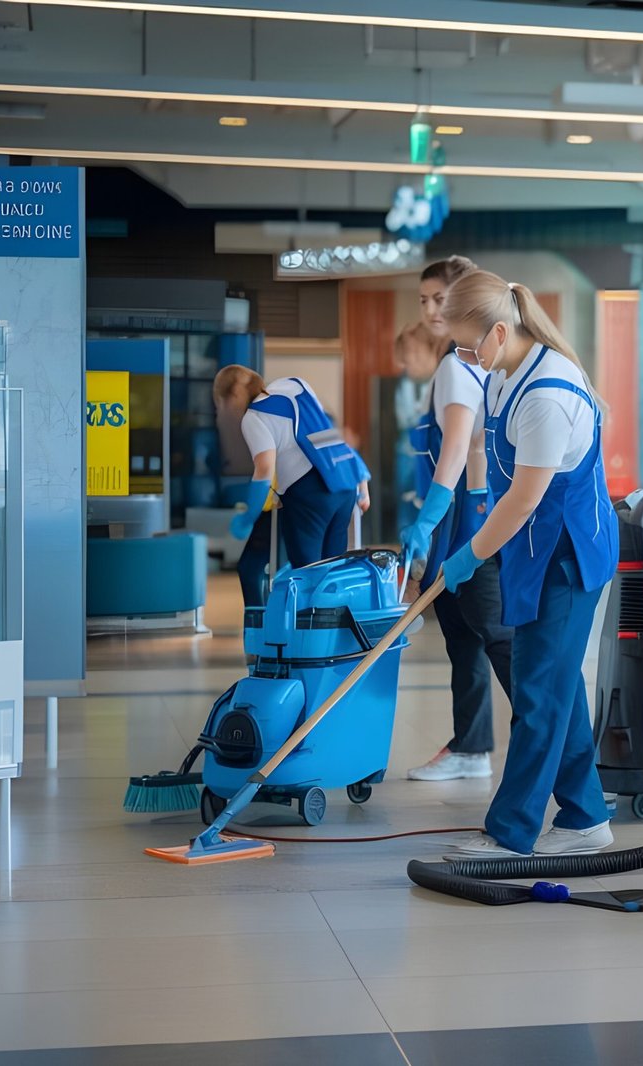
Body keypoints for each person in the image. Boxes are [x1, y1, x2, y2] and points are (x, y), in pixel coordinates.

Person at [427, 270, 620, 858]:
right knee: (555, 685)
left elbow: (526, 498)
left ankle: (511, 833)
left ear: (499, 331)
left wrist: (469, 552)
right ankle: (586, 815)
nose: (464, 357)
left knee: (538, 691)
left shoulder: (548, 393)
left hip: (566, 555)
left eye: (467, 345)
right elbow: (492, 465)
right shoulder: (505, 375)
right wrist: (475, 528)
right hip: (531, 548)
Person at [399, 256, 518, 783]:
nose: (431, 309)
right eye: (423, 300)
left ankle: (564, 755)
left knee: (494, 634)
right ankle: (471, 745)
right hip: (465, 512)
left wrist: (430, 521)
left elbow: (456, 450)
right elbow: (471, 451)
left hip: (468, 519)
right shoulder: (469, 361)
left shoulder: (458, 365)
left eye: (440, 299)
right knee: (462, 632)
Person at [214, 366, 369, 568]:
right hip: (345, 487)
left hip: (310, 494)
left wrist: (248, 518)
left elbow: (264, 470)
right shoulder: (295, 385)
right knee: (332, 573)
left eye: (221, 405)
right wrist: (362, 482)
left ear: (234, 395)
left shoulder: (253, 417)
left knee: (308, 574)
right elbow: (328, 433)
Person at [392, 321, 440, 528]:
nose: (407, 360)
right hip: (409, 451)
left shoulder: (446, 377)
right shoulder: (406, 381)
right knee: (408, 508)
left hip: (431, 454)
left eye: (414, 352)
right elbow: (406, 418)